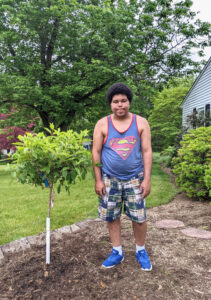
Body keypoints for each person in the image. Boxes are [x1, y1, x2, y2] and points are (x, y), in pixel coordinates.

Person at [92, 83, 152, 270]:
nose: (120, 105)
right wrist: (98, 180)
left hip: (135, 178)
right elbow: (96, 152)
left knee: (139, 217)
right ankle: (117, 252)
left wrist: (147, 179)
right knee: (111, 216)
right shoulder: (102, 124)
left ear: (129, 102)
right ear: (111, 104)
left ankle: (140, 250)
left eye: (123, 101)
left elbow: (146, 150)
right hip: (110, 179)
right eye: (115, 101)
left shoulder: (141, 122)